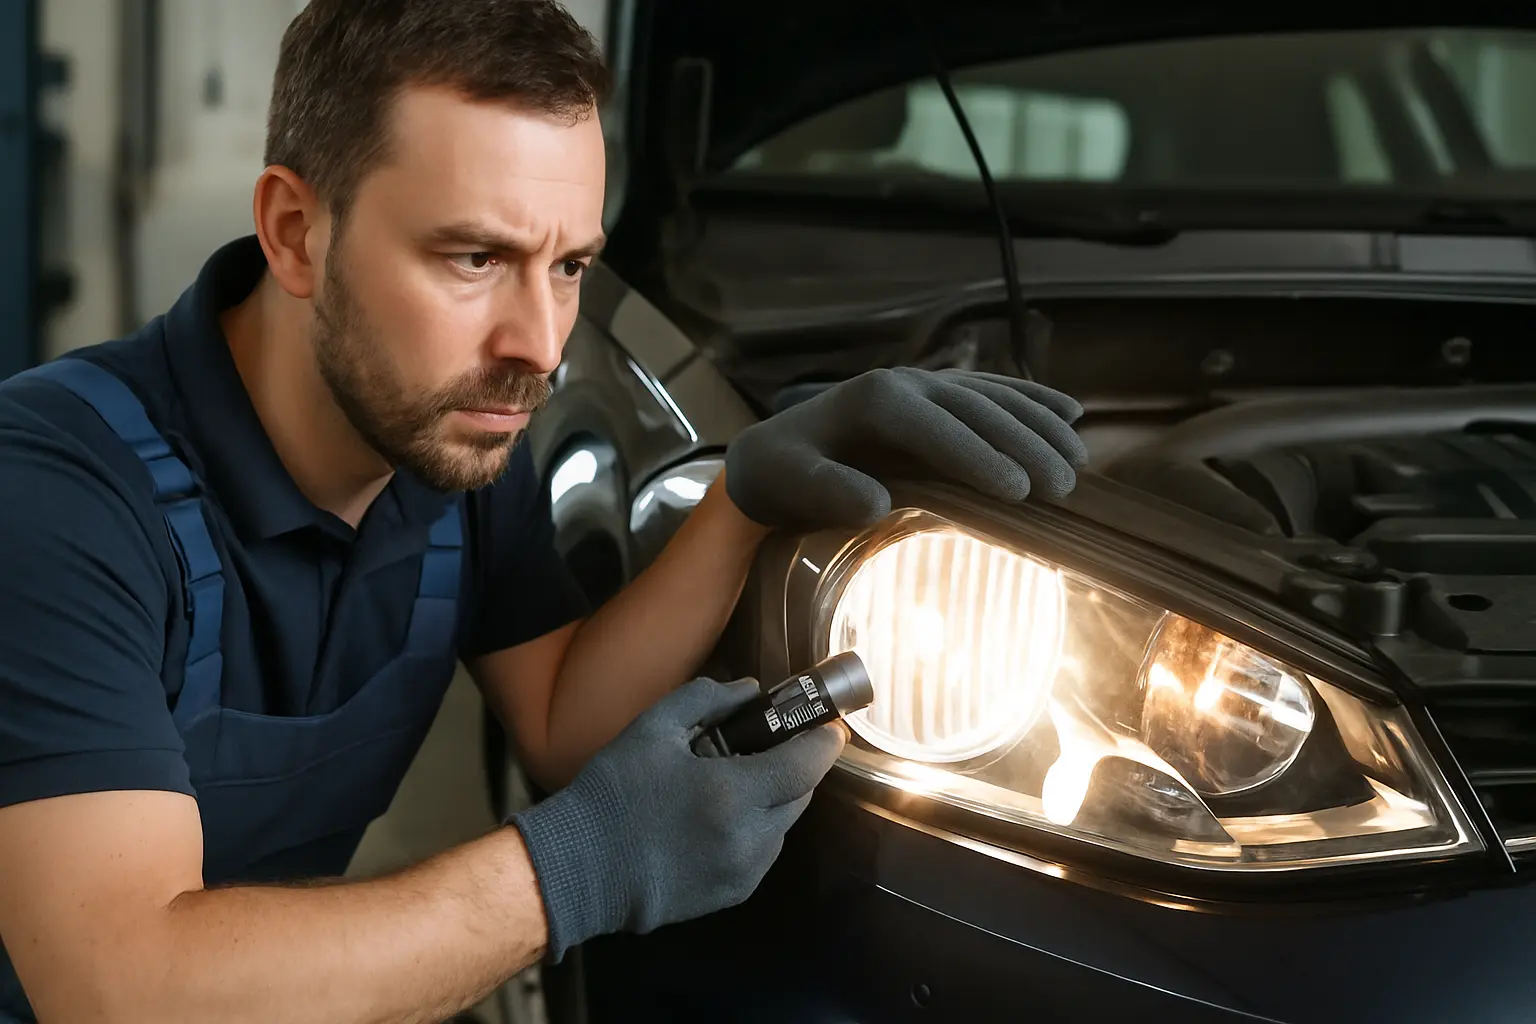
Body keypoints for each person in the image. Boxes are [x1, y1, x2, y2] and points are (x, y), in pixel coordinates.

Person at [0, 1, 1089, 1021]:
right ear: (295, 232)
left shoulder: (445, 440)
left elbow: (565, 717)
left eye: (567, 265)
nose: (540, 345)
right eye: (474, 257)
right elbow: (122, 985)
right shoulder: (58, 494)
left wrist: (739, 503)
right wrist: (574, 867)